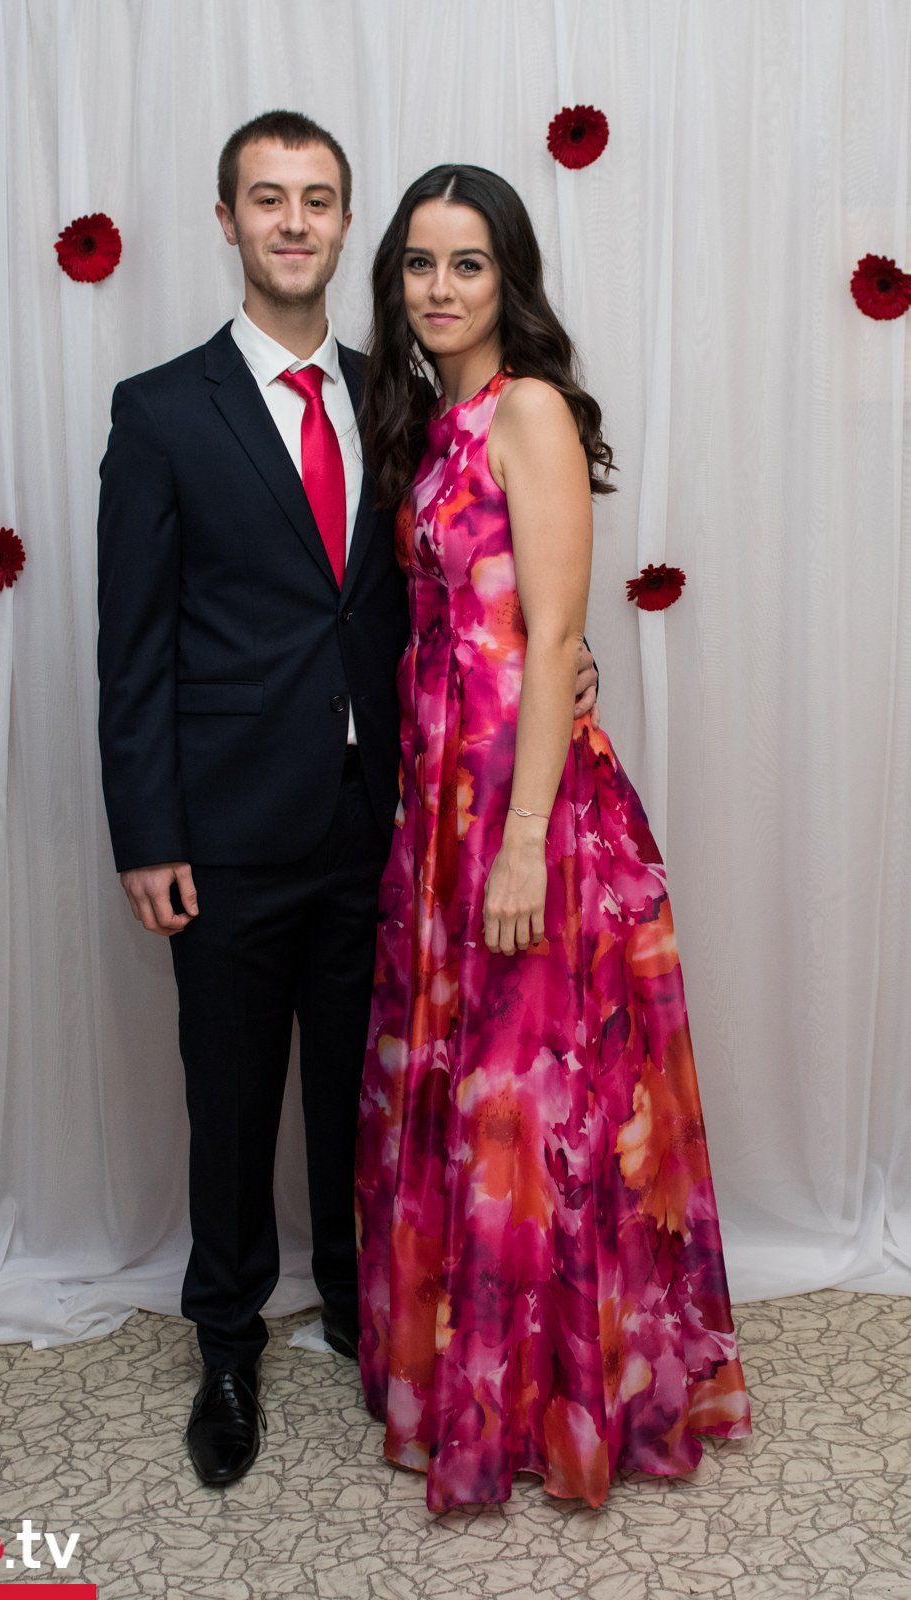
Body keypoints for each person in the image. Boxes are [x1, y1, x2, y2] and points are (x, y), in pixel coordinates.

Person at [97, 111, 603, 1489]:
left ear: (342, 222)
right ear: (228, 221)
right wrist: (148, 833)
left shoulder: (406, 398)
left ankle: (357, 1304)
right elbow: (131, 645)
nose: (295, 221)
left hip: (392, 818)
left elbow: (488, 582)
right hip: (226, 825)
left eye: (318, 198)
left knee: (367, 1089)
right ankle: (225, 1342)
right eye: (269, 199)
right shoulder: (161, 410)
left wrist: (566, 661)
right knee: (229, 1094)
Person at [356, 164, 750, 1513]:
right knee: (475, 1084)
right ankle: (480, 1382)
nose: (441, 288)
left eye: (468, 263)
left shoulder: (527, 407)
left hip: (522, 804)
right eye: (420, 264)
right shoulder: (436, 418)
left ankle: (555, 1402)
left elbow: (556, 632)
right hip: (443, 795)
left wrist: (524, 839)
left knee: (532, 1101)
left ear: (507, 278)